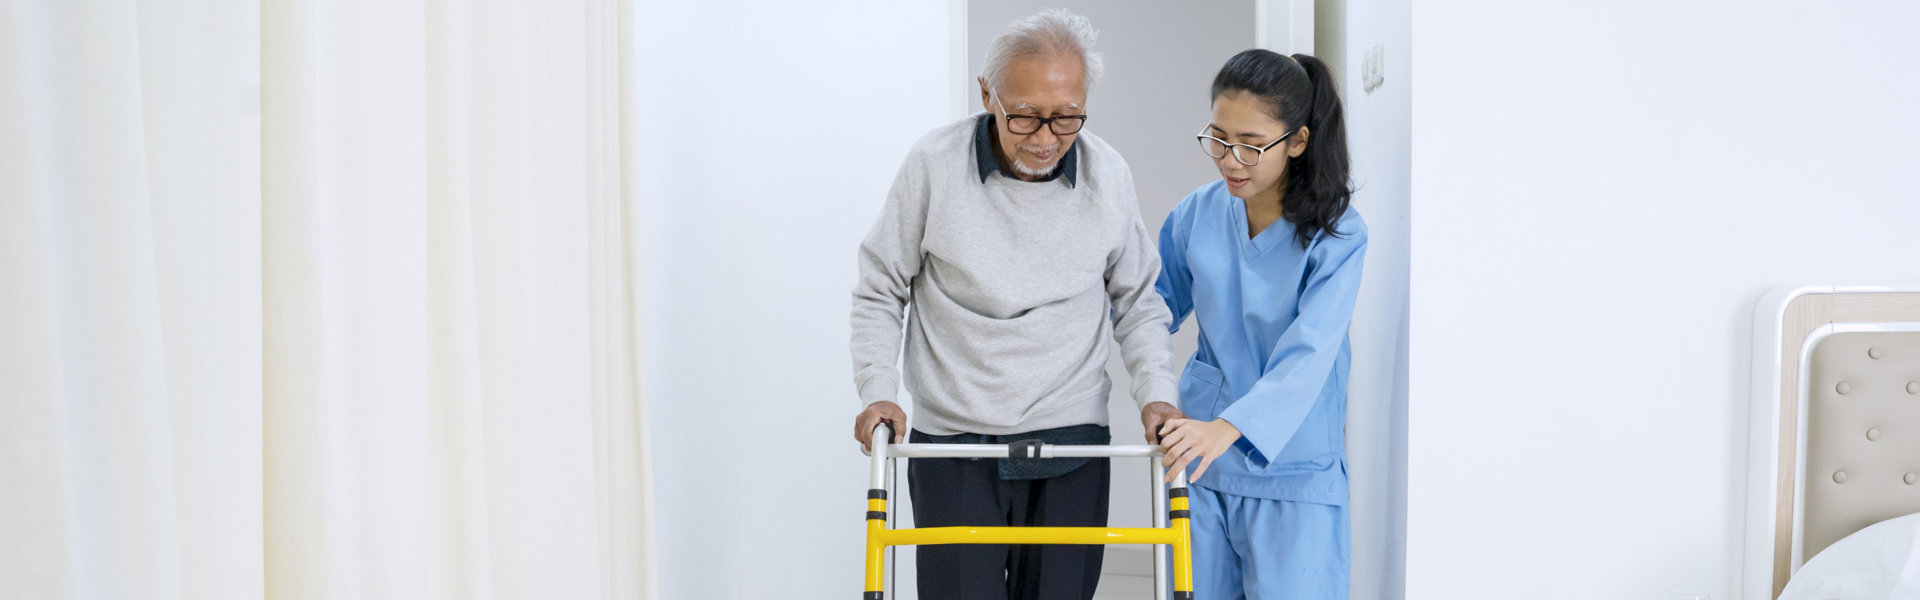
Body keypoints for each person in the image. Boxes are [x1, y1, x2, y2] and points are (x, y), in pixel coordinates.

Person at [1154, 48, 1367, 600]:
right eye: (1219, 139)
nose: (1230, 160)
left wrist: (1228, 428)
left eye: (1252, 145)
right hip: (1201, 462)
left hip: (1293, 467)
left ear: (1297, 141)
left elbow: (1311, 350)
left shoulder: (1337, 234)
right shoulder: (1194, 214)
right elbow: (1149, 310)